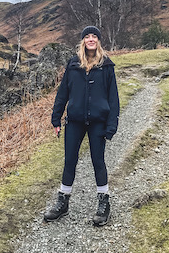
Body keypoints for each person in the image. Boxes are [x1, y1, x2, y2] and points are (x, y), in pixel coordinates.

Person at [44, 25, 120, 226]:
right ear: (83, 41)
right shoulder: (73, 65)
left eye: (94, 36)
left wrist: (111, 125)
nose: (91, 39)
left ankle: (104, 203)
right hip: (75, 121)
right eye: (87, 36)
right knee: (69, 161)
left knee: (98, 161)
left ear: (99, 41)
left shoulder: (107, 66)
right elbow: (63, 94)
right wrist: (56, 118)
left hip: (98, 123)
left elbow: (113, 98)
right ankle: (63, 202)